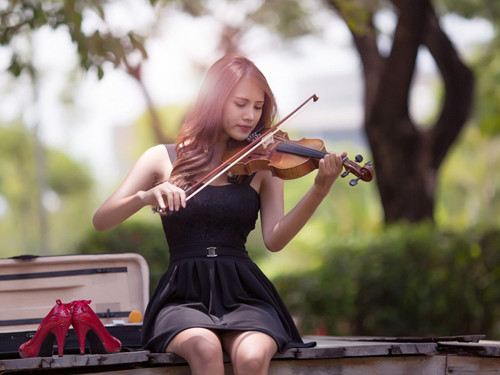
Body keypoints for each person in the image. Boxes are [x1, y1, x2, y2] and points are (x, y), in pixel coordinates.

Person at [92, 55, 345, 375]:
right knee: (205, 348)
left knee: (253, 357)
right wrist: (146, 196)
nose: (250, 116)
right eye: (240, 103)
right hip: (183, 294)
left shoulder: (264, 164)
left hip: (245, 293)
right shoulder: (162, 157)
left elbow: (275, 239)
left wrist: (319, 189)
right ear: (214, 101)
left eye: (257, 107)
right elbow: (102, 219)